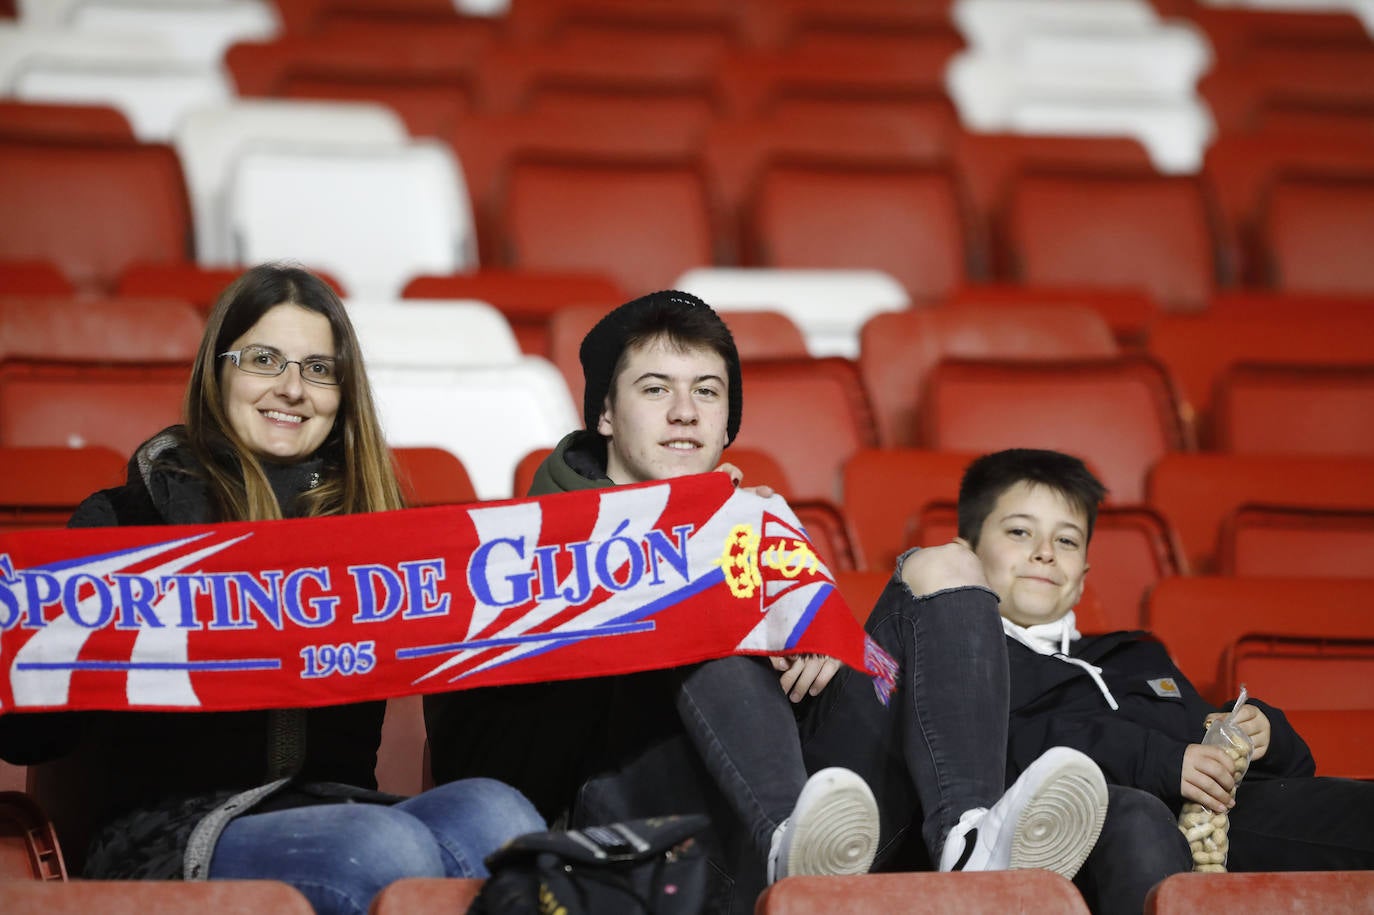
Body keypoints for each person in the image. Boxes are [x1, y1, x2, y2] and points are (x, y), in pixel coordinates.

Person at [426, 291, 1108, 911]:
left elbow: (815, 700)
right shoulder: (518, 552)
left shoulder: (757, 531)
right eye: (655, 388)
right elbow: (484, 764)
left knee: (948, 564)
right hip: (656, 841)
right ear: (605, 412)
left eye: (708, 392)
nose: (685, 411)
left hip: (826, 821)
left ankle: (968, 840)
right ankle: (791, 848)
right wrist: (705, 567)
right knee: (702, 584)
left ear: (727, 425)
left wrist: (808, 616)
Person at [0, 264, 543, 915]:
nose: (292, 387)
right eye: (265, 359)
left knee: (503, 816)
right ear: (218, 372)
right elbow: (30, 738)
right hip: (172, 827)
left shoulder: (382, 531)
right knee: (381, 848)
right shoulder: (126, 523)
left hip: (339, 806)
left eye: (318, 369)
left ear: (343, 394)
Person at [955, 447, 1374, 914]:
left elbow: (1268, 768)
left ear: (1083, 575)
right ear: (967, 552)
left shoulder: (1136, 654)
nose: (1045, 553)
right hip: (1093, 832)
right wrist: (1161, 761)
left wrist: (1265, 738)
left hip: (1216, 825)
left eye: (1068, 541)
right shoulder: (967, 659)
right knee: (1140, 817)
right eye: (1019, 531)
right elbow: (1014, 746)